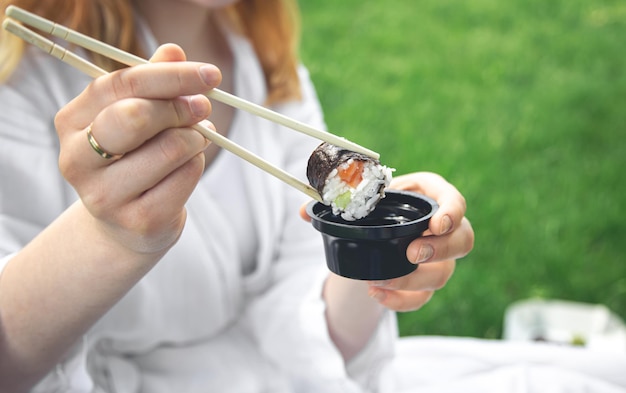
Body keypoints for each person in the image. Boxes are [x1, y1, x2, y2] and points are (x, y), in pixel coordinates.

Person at [0, 1, 623, 393]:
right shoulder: (19, 83)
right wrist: (108, 235)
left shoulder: (274, 75)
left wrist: (372, 248)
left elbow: (309, 327)